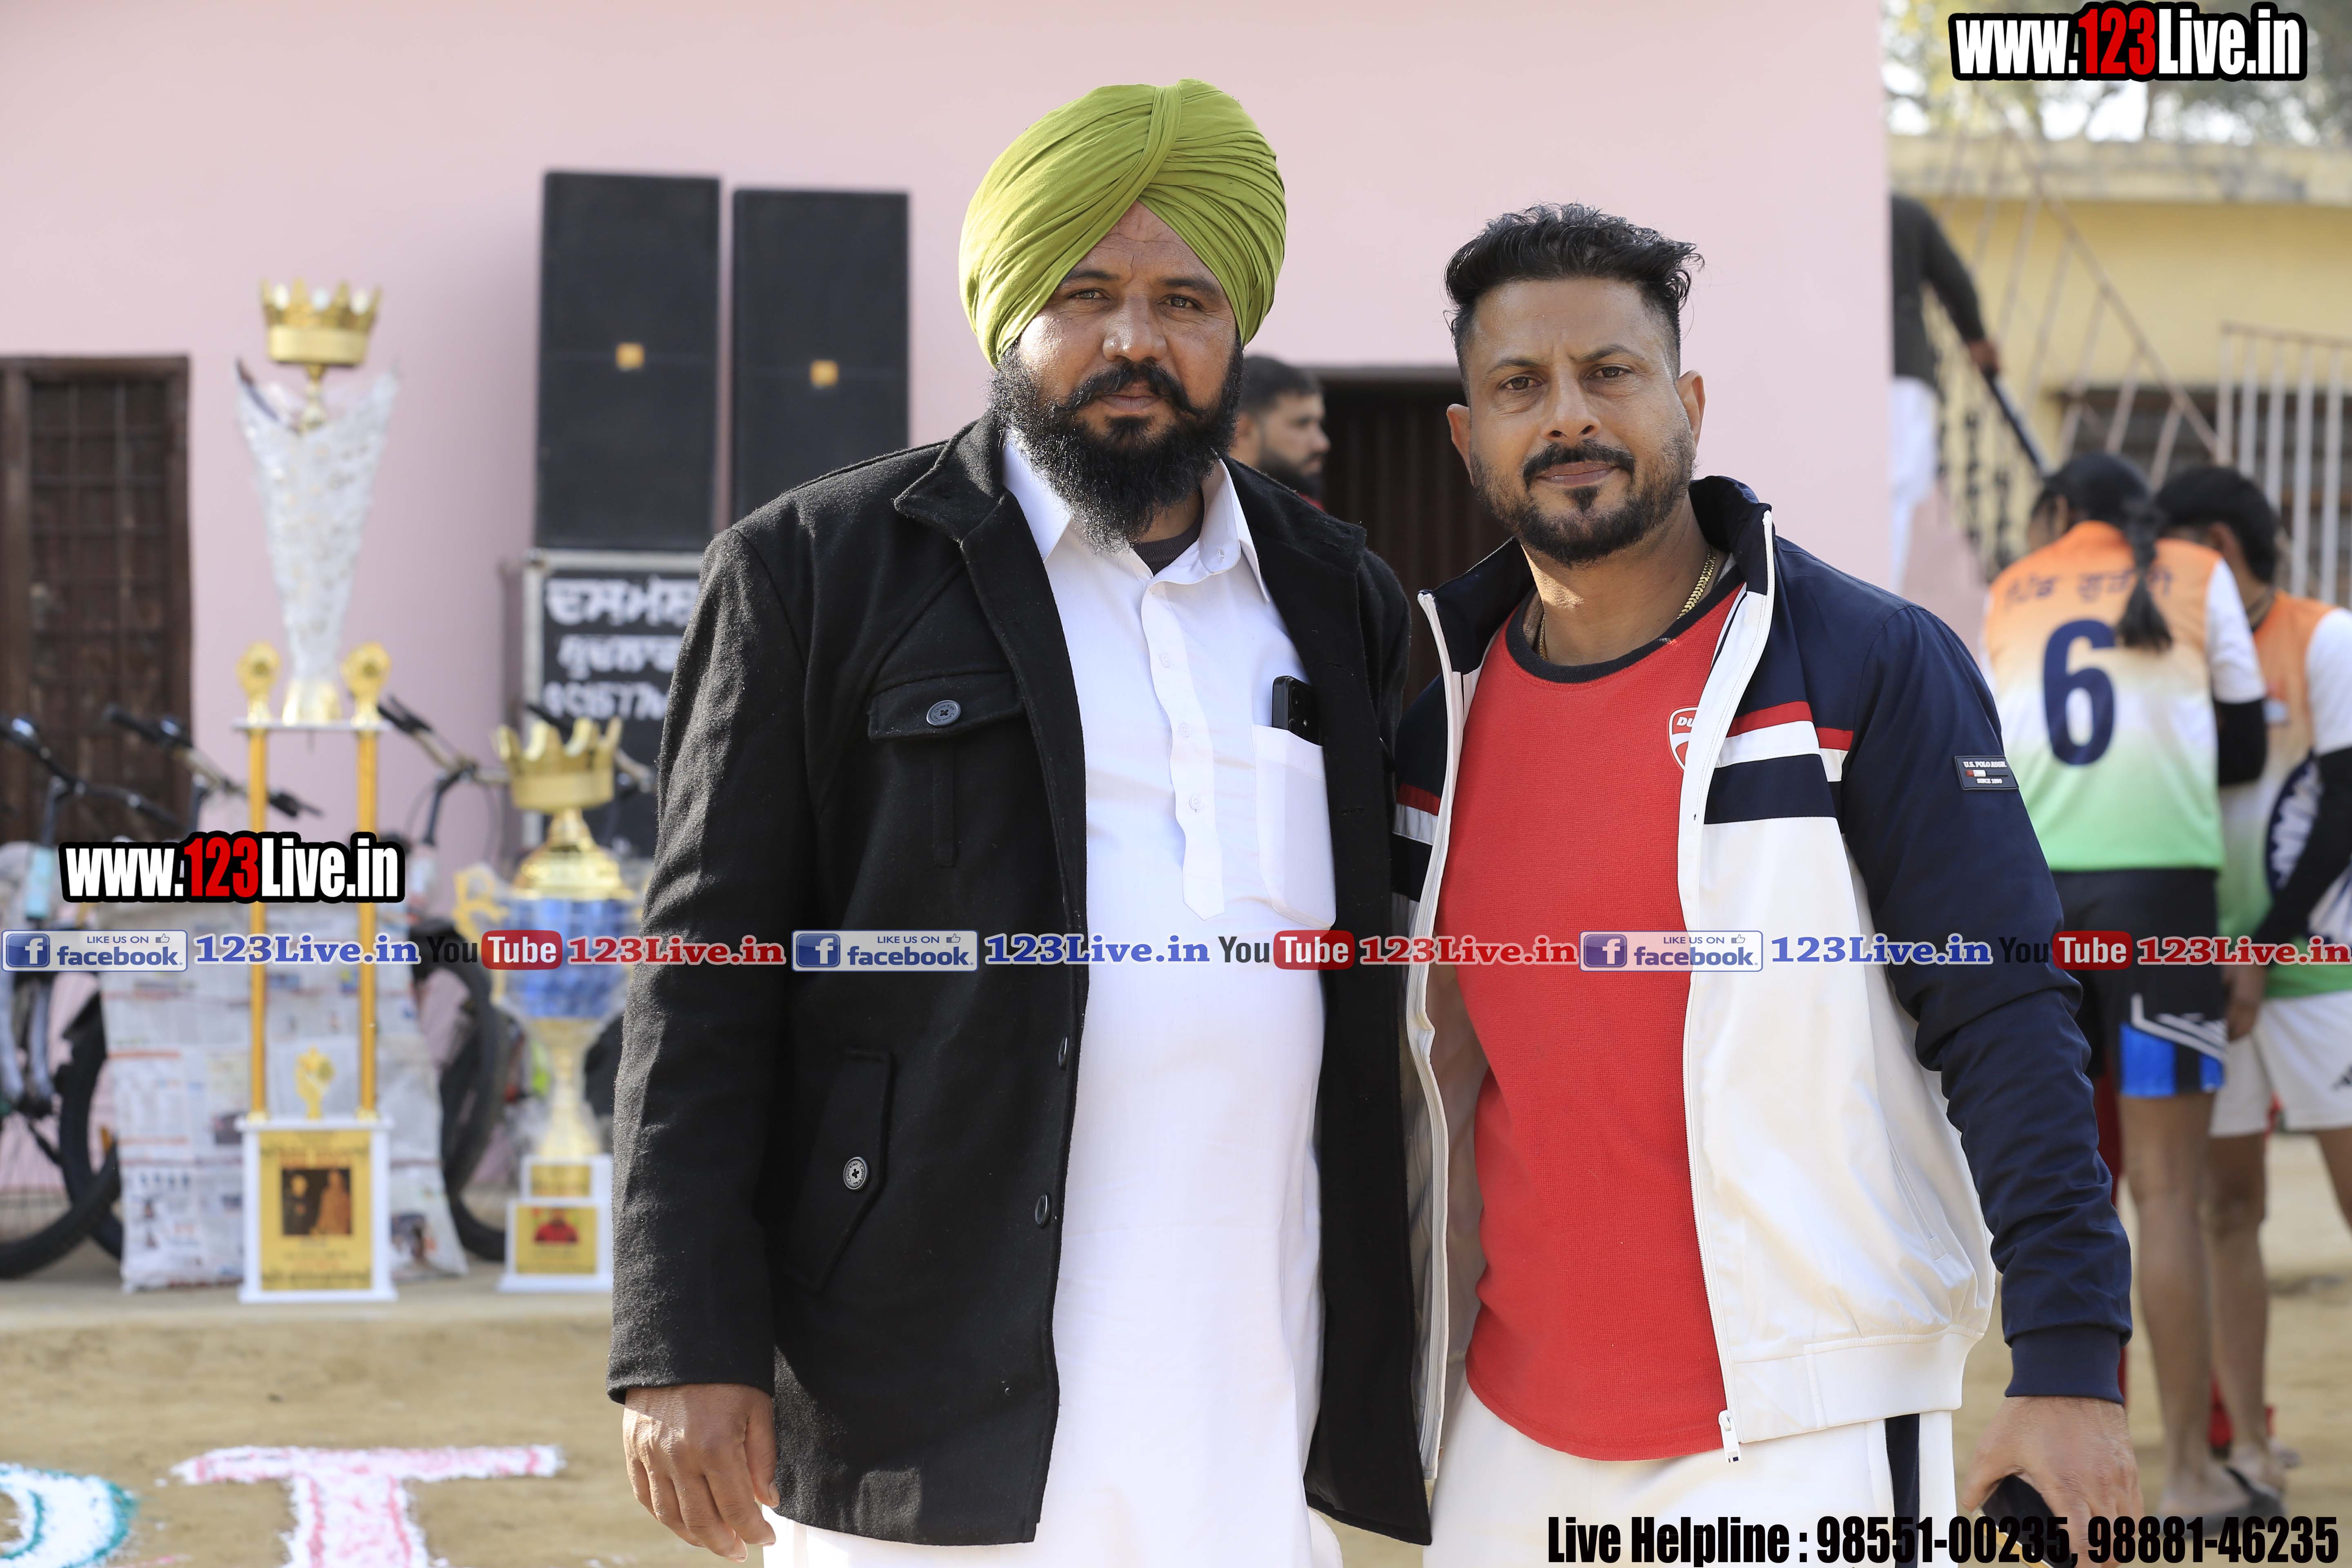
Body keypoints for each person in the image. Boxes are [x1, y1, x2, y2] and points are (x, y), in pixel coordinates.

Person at [607, 79, 1428, 1566]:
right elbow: (703, 977)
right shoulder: (819, 571)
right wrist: (683, 1333)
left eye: (1185, 300)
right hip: (917, 1383)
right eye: (1084, 293)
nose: (1134, 341)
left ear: (1237, 328)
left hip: (1252, 1374)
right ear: (1009, 315)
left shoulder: (1334, 594)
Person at [1390, 204, 2138, 1559]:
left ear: (1687, 403)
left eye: (1609, 373)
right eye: (1519, 386)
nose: (1569, 415)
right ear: (1466, 435)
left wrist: (2072, 1356)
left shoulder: (1865, 661)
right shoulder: (1431, 702)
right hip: (1507, 1434)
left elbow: (2004, 1013)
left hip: (1805, 1431)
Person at [1984, 452, 2271, 1520]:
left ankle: (2055, 1475)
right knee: (2168, 1196)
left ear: (2057, 512)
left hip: (2042, 912)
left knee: (2061, 1191)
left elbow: (1996, 755)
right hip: (2164, 910)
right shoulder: (2195, 573)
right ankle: (2190, 1477)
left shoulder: (2013, 587)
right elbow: (2244, 749)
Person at [2155, 466, 2352, 1503]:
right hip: (2205, 971)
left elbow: (2342, 813)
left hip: (2319, 972)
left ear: (2221, 550)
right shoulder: (2177, 652)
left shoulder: (2325, 639)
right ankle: (2250, 1447)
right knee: (2226, 1210)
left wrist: (2263, 949)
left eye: (2177, 555)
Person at [1889, 193, 2000, 591]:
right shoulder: (1904, 213)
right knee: (1897, 490)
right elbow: (1954, 281)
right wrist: (1977, 337)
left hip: (1844, 365)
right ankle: (1882, 590)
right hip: (1901, 369)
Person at [1229, 354, 1330, 501]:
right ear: (1244, 430)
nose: (1322, 444)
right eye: (1302, 424)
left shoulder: (1300, 510)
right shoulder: (1206, 509)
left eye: (1319, 424)